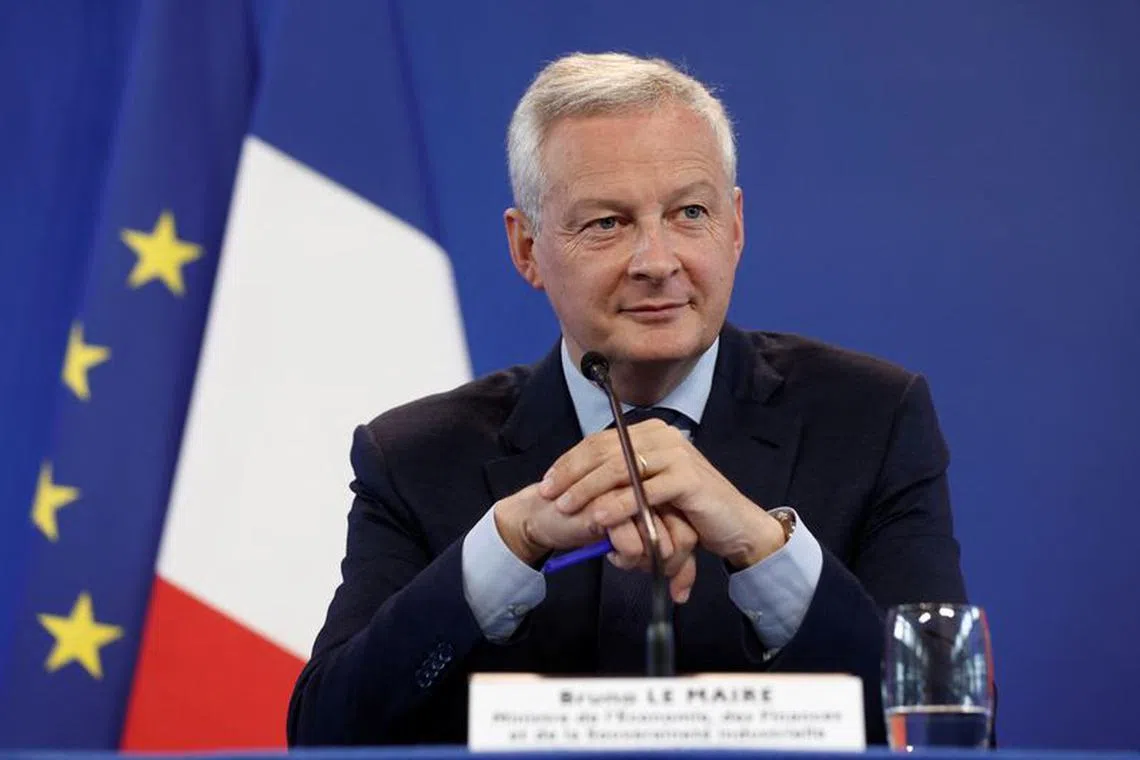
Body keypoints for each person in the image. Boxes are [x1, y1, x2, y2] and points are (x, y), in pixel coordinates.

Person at [286, 52, 967, 746]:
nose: (657, 261)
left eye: (689, 213)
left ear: (734, 226)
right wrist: (506, 546)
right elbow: (323, 735)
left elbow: (948, 724)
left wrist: (763, 547)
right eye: (607, 223)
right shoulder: (414, 457)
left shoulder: (872, 419)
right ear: (526, 248)